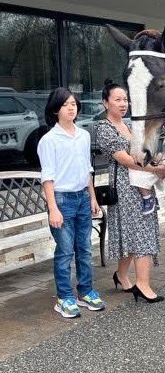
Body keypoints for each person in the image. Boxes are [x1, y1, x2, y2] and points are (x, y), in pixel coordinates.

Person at [95, 80, 165, 304]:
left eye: (125, 99)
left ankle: (121, 275)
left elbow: (145, 149)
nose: (123, 104)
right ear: (105, 103)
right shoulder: (103, 128)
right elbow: (125, 160)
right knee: (140, 232)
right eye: (117, 99)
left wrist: (156, 159)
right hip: (126, 188)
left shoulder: (130, 124)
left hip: (142, 183)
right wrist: (155, 168)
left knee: (132, 233)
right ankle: (143, 285)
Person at [37, 88, 105, 319]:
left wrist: (93, 198)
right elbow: (47, 177)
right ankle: (64, 296)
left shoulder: (84, 135)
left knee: (84, 248)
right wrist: (53, 208)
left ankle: (85, 292)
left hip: (82, 199)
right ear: (56, 109)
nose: (71, 107)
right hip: (62, 200)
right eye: (66, 104)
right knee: (65, 251)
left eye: (74, 103)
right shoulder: (49, 140)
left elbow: (87, 170)